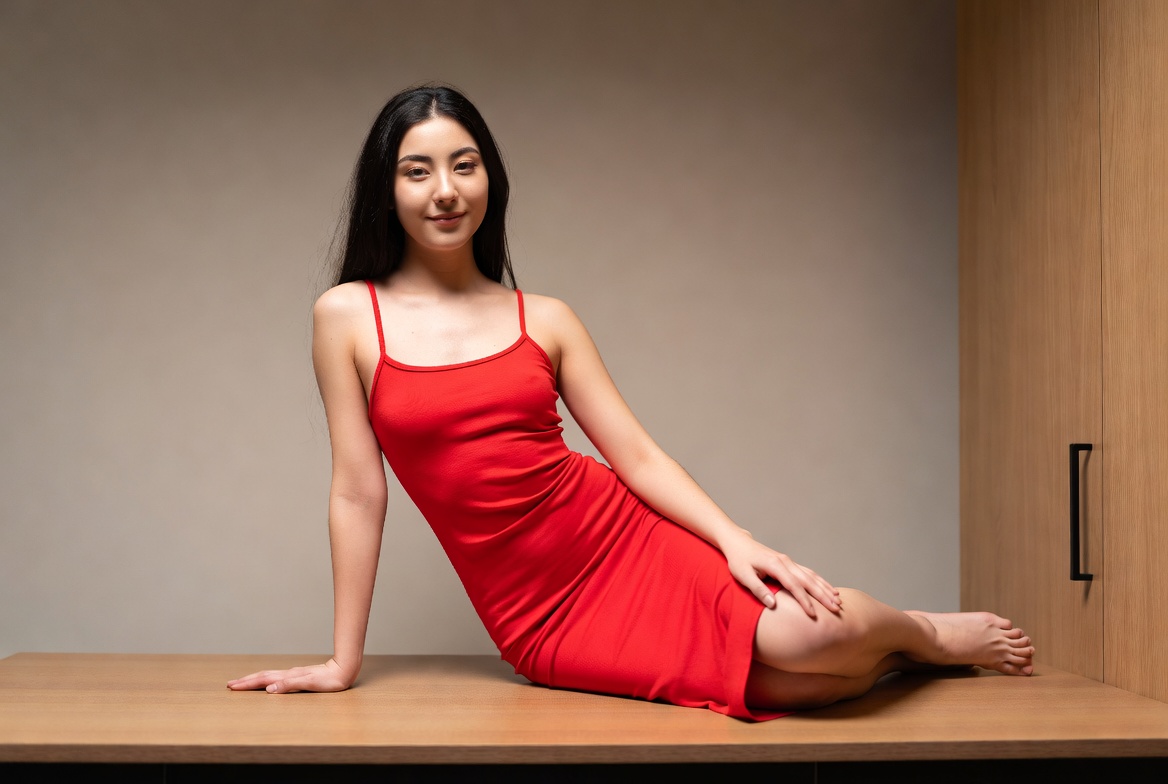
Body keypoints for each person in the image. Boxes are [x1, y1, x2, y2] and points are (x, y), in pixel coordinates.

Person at [228, 84, 1034, 719]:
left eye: (464, 165)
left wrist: (736, 540)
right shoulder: (346, 316)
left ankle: (924, 633)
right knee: (807, 689)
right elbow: (357, 492)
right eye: (418, 171)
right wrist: (343, 661)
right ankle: (898, 656)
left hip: (616, 537)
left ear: (490, 180)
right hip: (535, 614)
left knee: (812, 637)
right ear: (387, 189)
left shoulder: (544, 318)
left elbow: (637, 456)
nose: (445, 190)